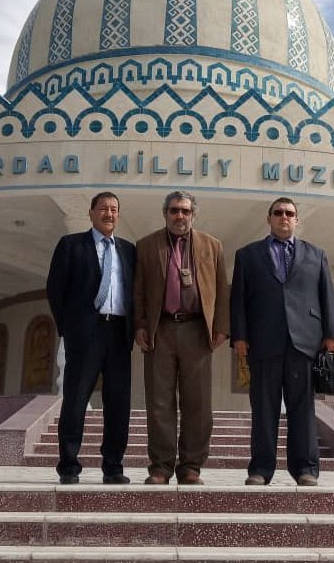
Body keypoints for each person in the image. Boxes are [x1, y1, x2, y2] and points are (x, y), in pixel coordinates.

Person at [230, 197, 334, 486]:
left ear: (297, 220)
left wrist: (331, 335)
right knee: (263, 410)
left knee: (303, 410)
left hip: (305, 343)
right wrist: (239, 335)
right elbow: (238, 299)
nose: (284, 217)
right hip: (263, 342)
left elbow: (327, 296)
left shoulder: (316, 255)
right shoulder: (248, 255)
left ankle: (306, 469)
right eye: (278, 213)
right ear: (268, 219)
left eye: (289, 213)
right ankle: (260, 469)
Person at [134, 190, 230, 485]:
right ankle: (161, 467)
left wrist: (221, 327)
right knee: (159, 401)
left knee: (197, 402)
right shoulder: (147, 245)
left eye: (185, 211)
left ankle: (191, 466)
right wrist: (140, 325)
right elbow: (138, 290)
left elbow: (222, 289)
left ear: (193, 215)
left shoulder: (212, 246)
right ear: (165, 214)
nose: (180, 216)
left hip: (196, 330)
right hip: (160, 329)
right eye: (174, 210)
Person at [46, 191, 135, 485]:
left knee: (118, 404)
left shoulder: (128, 250)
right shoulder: (72, 245)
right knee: (76, 400)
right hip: (85, 333)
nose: (109, 214)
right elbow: (55, 290)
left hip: (118, 333)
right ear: (91, 213)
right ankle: (69, 466)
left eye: (114, 209)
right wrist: (68, 328)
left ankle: (113, 467)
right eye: (103, 209)